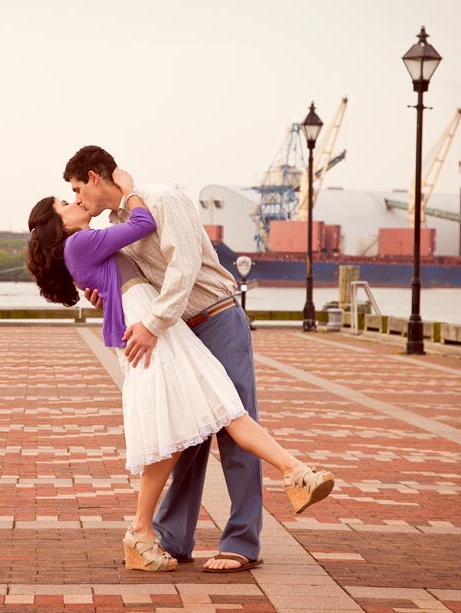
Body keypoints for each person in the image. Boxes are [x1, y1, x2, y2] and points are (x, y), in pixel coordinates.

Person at [26, 187, 335, 573]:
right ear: (57, 225)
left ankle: (296, 473)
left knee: (217, 407)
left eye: (74, 194)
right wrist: (131, 188)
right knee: (188, 424)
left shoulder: (85, 245)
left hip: (156, 329)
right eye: (65, 203)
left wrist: (107, 294)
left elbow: (125, 278)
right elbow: (143, 223)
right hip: (149, 335)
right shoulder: (80, 244)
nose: (74, 202)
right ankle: (142, 531)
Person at [65, 145, 268, 572]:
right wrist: (104, 295)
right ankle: (173, 537)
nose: (79, 199)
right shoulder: (120, 223)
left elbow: (184, 268)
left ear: (95, 177)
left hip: (215, 318)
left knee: (233, 427)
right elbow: (132, 283)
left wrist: (154, 324)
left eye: (78, 188)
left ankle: (242, 542)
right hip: (179, 331)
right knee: (184, 435)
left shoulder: (161, 199)